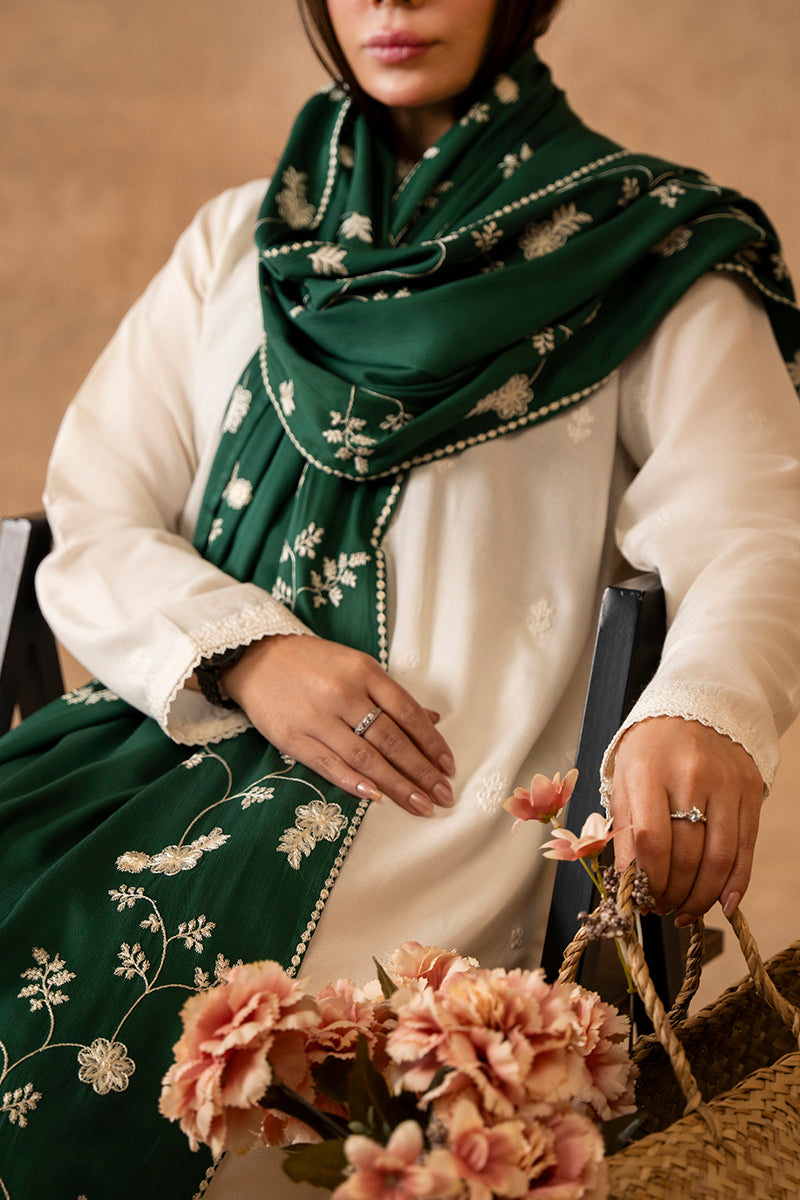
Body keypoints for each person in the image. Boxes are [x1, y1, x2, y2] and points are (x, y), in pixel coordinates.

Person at [1, 0, 799, 1196]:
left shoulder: (648, 255)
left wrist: (696, 702)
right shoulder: (240, 245)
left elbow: (753, 528)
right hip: (166, 752)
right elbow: (97, 514)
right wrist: (254, 656)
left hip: (437, 816)